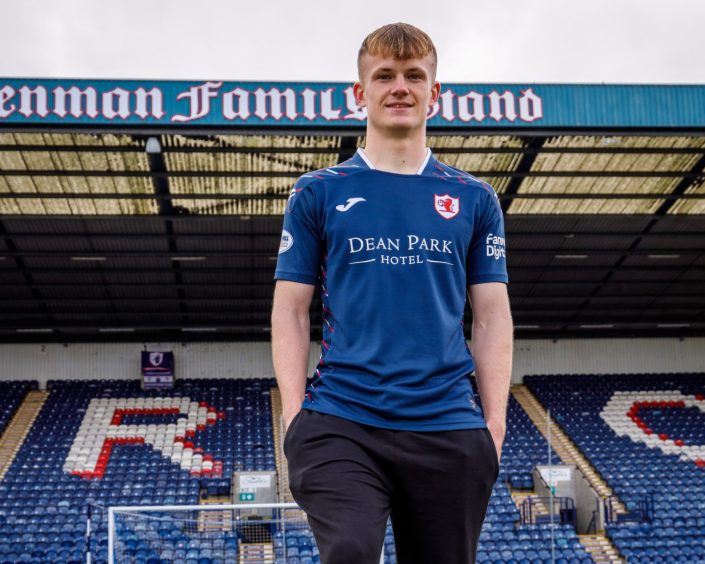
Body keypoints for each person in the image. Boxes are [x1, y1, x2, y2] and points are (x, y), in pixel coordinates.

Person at [271, 22, 513, 564]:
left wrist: (493, 423)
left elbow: (492, 316)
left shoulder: (473, 198)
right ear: (361, 93)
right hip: (343, 419)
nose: (399, 87)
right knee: (351, 551)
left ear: (435, 93)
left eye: (413, 75)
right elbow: (290, 308)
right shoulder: (318, 192)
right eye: (384, 76)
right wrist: (293, 414)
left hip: (449, 424)